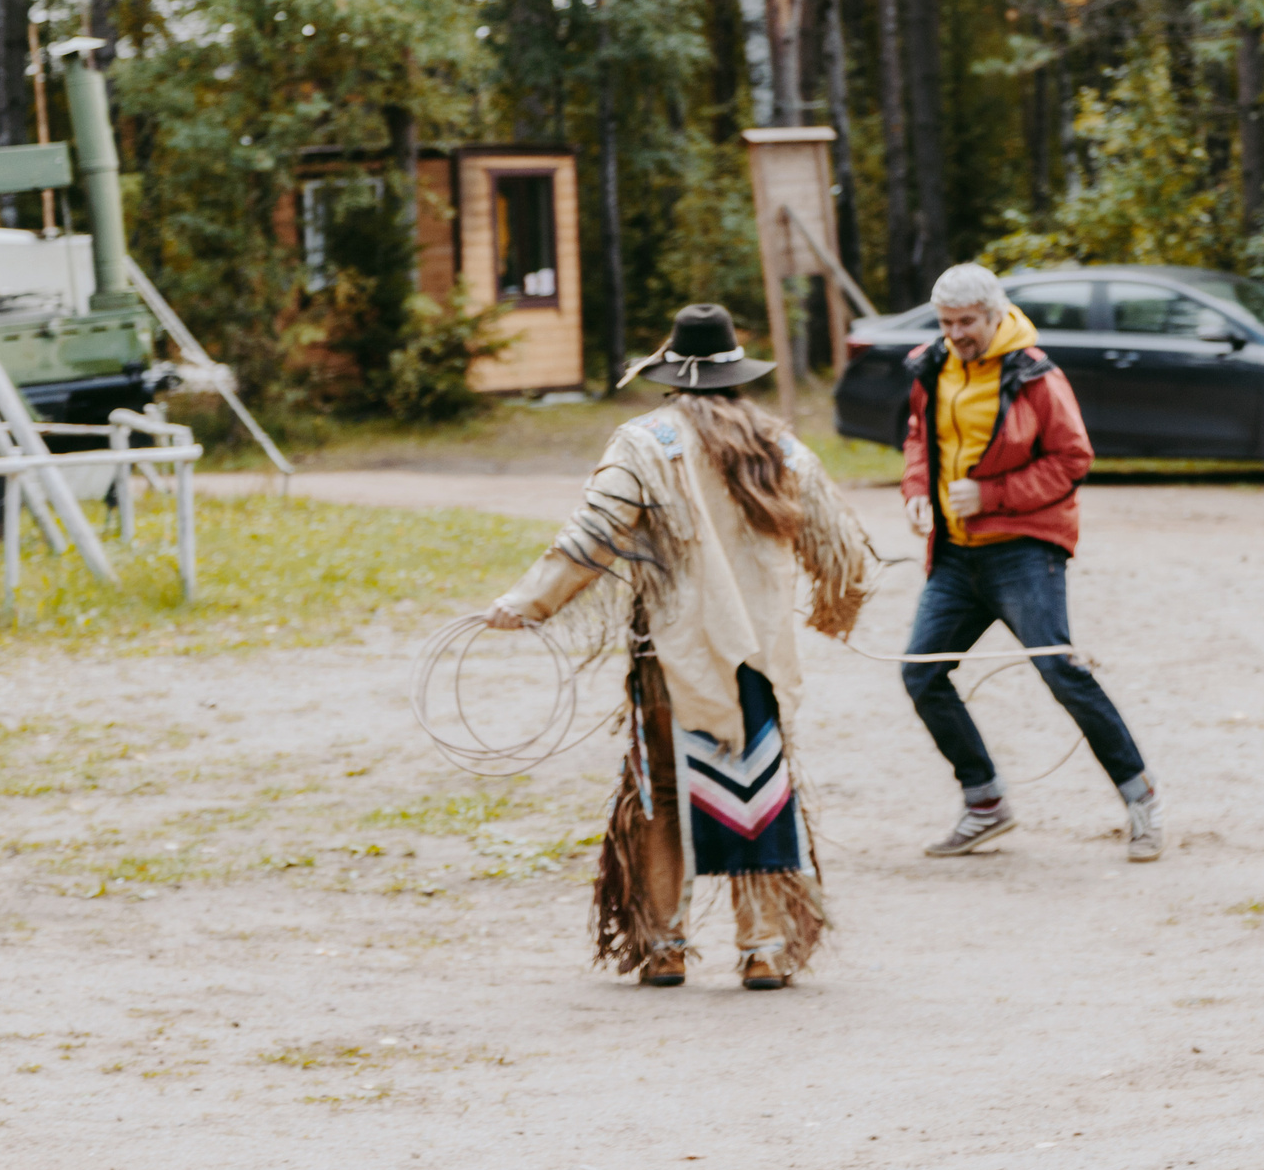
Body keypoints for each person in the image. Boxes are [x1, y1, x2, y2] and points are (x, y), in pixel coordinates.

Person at [486, 304, 873, 990]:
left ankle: (662, 944)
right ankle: (766, 948)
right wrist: (833, 610)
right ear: (735, 374)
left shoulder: (644, 442)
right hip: (757, 657)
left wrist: (529, 600)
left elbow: (594, 531)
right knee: (759, 784)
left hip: (674, 654)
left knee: (660, 790)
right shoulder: (779, 446)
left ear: (673, 375)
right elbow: (841, 547)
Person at [898, 263, 1164, 862]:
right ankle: (986, 803)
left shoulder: (1035, 375)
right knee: (921, 673)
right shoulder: (932, 367)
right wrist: (916, 489)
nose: (956, 334)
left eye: (967, 322)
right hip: (956, 555)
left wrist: (990, 495)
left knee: (1060, 671)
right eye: (946, 323)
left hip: (1023, 550)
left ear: (995, 315)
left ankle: (1141, 799)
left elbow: (1073, 459)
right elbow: (919, 436)